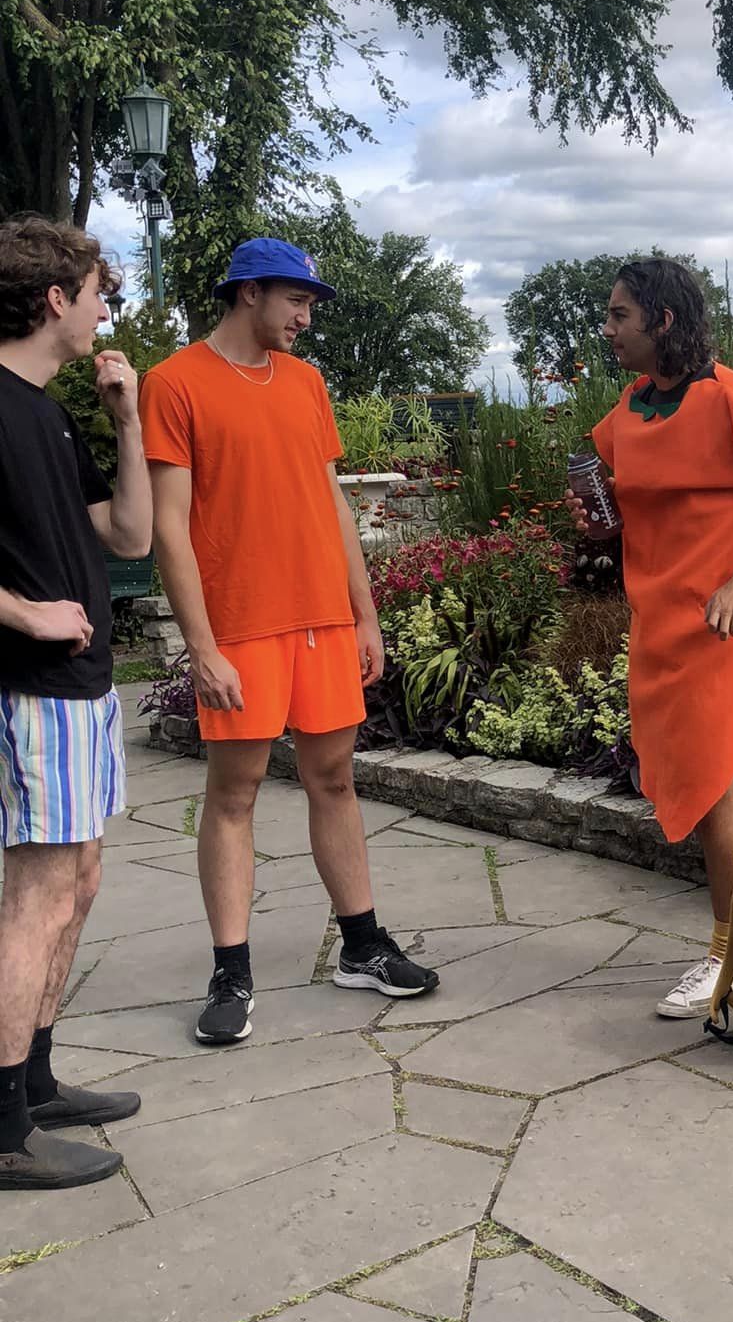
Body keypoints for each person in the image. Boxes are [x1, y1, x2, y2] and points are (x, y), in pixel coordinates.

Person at [139, 237, 438, 1047]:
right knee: (234, 794)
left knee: (334, 779)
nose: (307, 318)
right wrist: (202, 646)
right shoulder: (174, 383)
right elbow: (169, 525)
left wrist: (364, 614)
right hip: (241, 626)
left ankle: (362, 945)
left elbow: (331, 502)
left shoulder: (306, 383)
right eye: (297, 301)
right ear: (250, 292)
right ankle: (230, 973)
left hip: (323, 621)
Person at [574, 257, 733, 1019]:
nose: (608, 329)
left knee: (715, 787)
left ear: (664, 320)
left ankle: (732, 959)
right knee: (703, 783)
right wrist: (600, 520)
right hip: (663, 628)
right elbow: (637, 502)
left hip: (729, 623)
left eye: (620, 315)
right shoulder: (628, 411)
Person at [0, 215, 152, 1190]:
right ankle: (2, 1127)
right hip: (31, 690)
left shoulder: (49, 412)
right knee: (38, 895)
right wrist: (24, 612)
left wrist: (126, 419)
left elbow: (130, 535)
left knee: (79, 881)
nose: (106, 312)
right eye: (99, 294)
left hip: (83, 692)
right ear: (55, 298)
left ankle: (37, 1082)